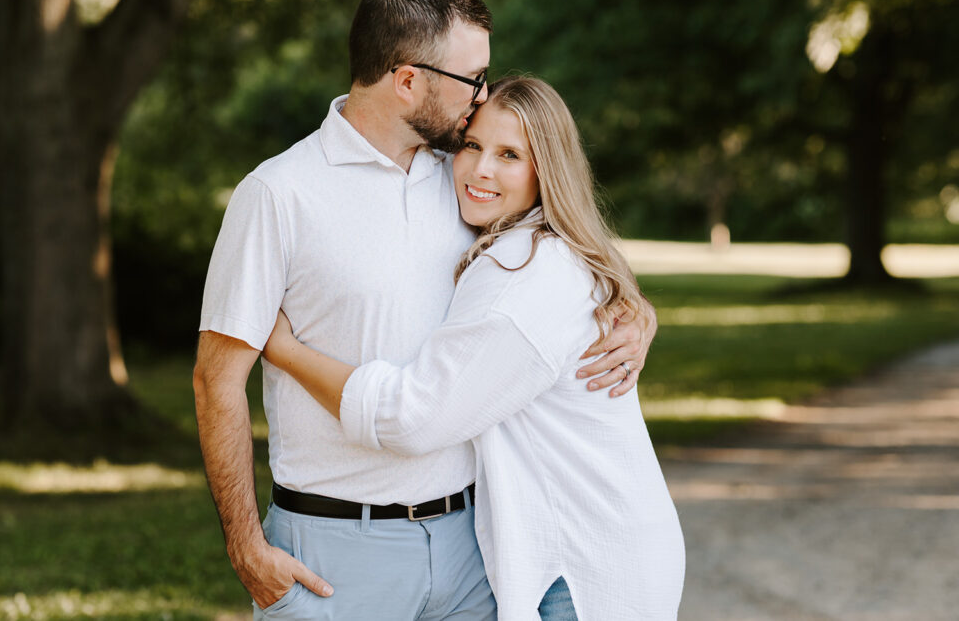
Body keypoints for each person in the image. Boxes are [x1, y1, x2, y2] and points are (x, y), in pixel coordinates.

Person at [193, 0, 657, 620]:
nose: (483, 97)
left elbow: (563, 242)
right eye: (473, 80)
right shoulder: (277, 195)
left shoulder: (465, 178)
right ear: (409, 81)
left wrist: (631, 308)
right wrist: (245, 546)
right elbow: (216, 380)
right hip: (335, 551)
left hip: (473, 553)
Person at [262, 76, 685, 620]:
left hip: (581, 568)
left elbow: (412, 417)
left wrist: (283, 349)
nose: (480, 169)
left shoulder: (521, 273)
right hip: (601, 543)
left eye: (511, 155)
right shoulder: (539, 246)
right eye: (471, 145)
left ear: (546, 170)